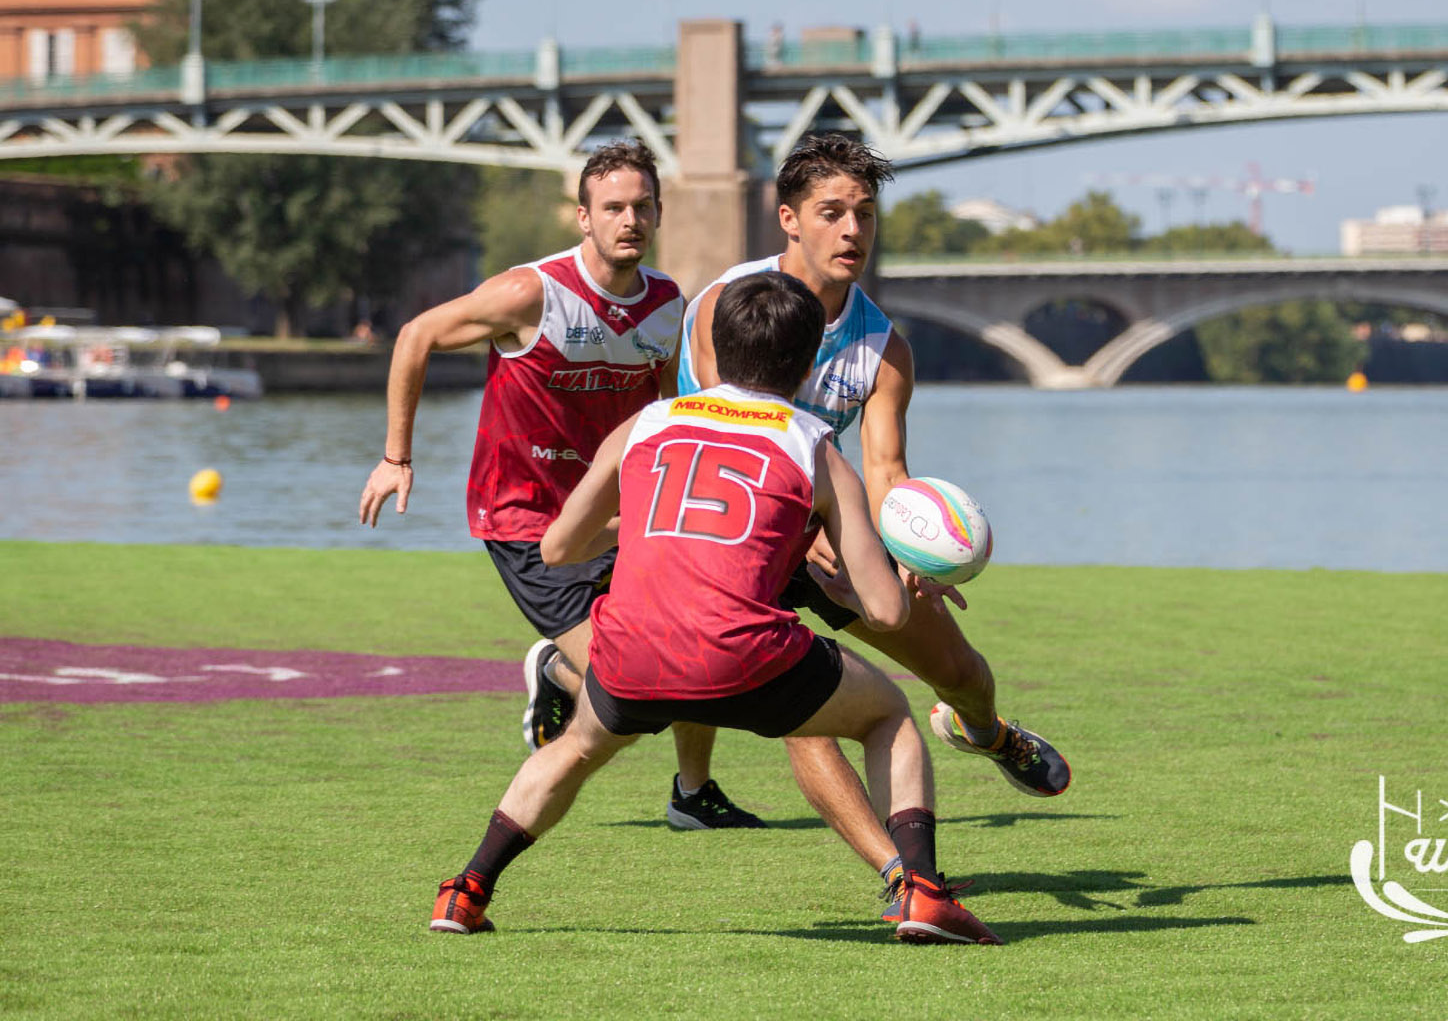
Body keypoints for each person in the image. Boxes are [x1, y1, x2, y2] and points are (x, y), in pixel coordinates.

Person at [429, 271, 1001, 945]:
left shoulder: (645, 424)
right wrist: (904, 572)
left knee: (578, 746)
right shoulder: (813, 445)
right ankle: (926, 893)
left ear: (718, 347)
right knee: (889, 716)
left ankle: (465, 890)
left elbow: (556, 549)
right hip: (746, 658)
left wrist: (636, 523)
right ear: (810, 357)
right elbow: (884, 613)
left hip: (631, 652)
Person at [672, 133, 1071, 875]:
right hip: (731, 538)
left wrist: (912, 548)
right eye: (831, 213)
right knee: (807, 706)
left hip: (826, 530)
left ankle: (986, 732)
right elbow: (725, 439)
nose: (852, 230)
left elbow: (885, 468)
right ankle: (905, 874)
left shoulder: (883, 347)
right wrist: (812, 525)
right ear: (788, 219)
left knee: (958, 666)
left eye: (864, 213)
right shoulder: (731, 307)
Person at [358, 139, 764, 830]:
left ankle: (694, 796)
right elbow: (415, 335)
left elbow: (662, 408)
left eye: (641, 207)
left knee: (694, 643)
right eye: (612, 208)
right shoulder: (532, 293)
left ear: (659, 213)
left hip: (619, 515)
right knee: (640, 691)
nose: (628, 220)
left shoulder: (668, 306)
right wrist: (397, 456)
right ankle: (555, 669)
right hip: (527, 522)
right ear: (583, 217)